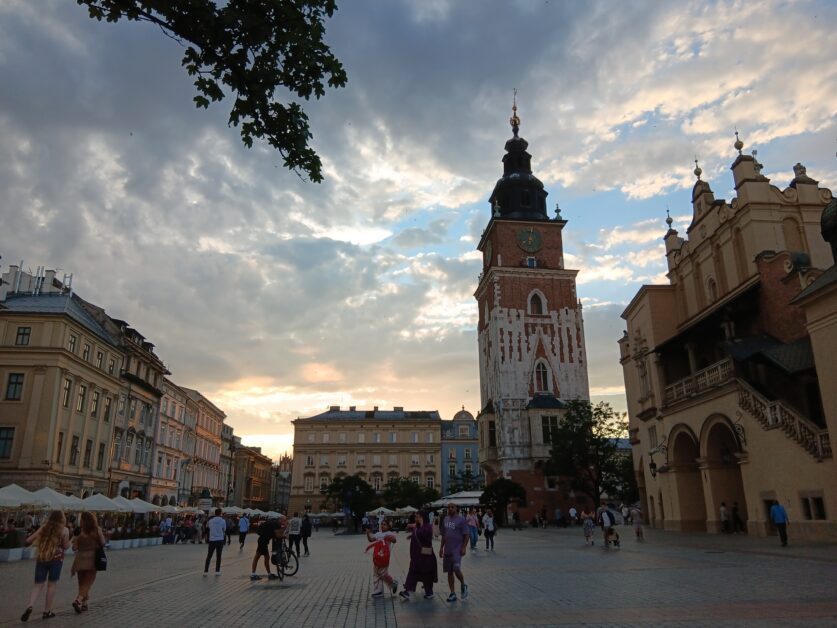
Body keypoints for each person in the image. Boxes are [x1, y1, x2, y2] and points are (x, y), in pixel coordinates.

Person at [21, 510, 71, 622]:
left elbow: (28, 540)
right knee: (51, 585)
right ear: (62, 519)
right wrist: (70, 542)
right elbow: (66, 546)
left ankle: (30, 605)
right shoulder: (64, 530)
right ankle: (47, 611)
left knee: (38, 585)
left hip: (42, 558)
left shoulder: (44, 527)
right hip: (56, 560)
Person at [70, 511, 106, 613]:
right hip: (92, 559)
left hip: (80, 559)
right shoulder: (96, 530)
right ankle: (78, 600)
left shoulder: (79, 531)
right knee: (87, 583)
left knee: (81, 583)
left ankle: (85, 604)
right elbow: (103, 543)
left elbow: (74, 548)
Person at [399, 511, 438, 600]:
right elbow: (416, 533)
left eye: (417, 517)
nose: (415, 518)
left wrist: (420, 525)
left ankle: (429, 592)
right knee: (413, 571)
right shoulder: (417, 526)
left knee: (426, 574)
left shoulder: (428, 527)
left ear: (421, 517)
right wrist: (411, 535)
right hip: (417, 555)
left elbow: (428, 536)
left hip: (425, 555)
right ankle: (408, 591)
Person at [439, 502, 469, 603]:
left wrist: (464, 547)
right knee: (449, 571)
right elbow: (443, 535)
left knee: (456, 567)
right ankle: (452, 593)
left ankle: (463, 584)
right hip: (447, 549)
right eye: (449, 507)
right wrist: (441, 548)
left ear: (456, 508)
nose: (450, 509)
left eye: (452, 507)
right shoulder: (445, 519)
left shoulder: (461, 520)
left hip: (457, 548)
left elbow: (466, 534)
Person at [366, 519, 398, 598]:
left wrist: (389, 537)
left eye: (384, 524)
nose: (383, 526)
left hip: (385, 556)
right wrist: (368, 533)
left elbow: (394, 540)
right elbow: (371, 540)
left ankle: (393, 582)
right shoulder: (378, 534)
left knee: (383, 573)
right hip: (377, 556)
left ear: (388, 526)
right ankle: (378, 590)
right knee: (376, 572)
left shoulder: (389, 533)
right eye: (382, 524)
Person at [250, 515, 286, 580]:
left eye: (285, 520)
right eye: (284, 520)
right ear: (280, 519)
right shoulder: (276, 524)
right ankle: (253, 574)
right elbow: (278, 535)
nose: (284, 522)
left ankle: (268, 574)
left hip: (262, 541)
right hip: (263, 541)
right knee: (258, 557)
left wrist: (283, 530)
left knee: (266, 557)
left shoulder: (274, 523)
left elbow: (277, 533)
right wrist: (284, 536)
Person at [203, 508, 226, 575]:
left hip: (212, 540)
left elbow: (208, 527)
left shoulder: (210, 521)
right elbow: (224, 529)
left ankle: (206, 571)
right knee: (218, 556)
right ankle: (217, 571)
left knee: (209, 555)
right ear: (220, 513)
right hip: (220, 540)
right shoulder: (223, 521)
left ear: (215, 513)